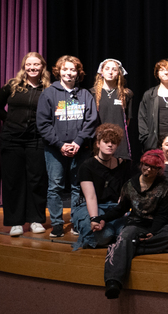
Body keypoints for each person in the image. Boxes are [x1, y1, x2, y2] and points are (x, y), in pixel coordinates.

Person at [91, 150, 168, 299]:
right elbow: (121, 209)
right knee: (127, 233)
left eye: (153, 167)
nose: (148, 169)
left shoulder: (166, 185)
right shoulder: (130, 184)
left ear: (159, 169)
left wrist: (152, 232)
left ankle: (127, 247)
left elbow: (162, 214)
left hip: (157, 226)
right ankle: (113, 281)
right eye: (146, 165)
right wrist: (103, 218)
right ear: (141, 165)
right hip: (136, 223)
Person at [37, 54, 98, 238]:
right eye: (65, 69)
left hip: (80, 150)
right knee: (54, 186)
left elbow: (91, 121)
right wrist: (60, 145)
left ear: (78, 73)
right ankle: (57, 223)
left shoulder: (85, 94)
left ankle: (77, 221)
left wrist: (78, 142)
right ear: (59, 71)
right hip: (55, 150)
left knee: (77, 187)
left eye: (72, 69)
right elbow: (43, 123)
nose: (68, 73)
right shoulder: (49, 93)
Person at [0, 51, 50, 236]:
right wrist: (10, 121)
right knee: (13, 180)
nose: (32, 68)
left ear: (42, 67)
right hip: (11, 140)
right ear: (24, 66)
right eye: (29, 64)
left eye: (36, 65)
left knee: (37, 180)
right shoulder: (12, 85)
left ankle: (35, 220)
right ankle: (15, 222)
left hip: (37, 140)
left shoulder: (48, 89)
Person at [71, 123, 134, 251]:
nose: (110, 145)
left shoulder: (124, 164)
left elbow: (124, 192)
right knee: (105, 235)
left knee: (126, 234)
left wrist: (122, 208)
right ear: (98, 144)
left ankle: (112, 231)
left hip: (113, 207)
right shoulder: (87, 166)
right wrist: (95, 218)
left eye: (113, 142)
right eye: (106, 142)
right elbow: (91, 197)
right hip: (91, 206)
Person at [92, 58, 133, 159]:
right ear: (101, 71)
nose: (110, 72)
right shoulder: (92, 93)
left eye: (114, 69)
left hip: (119, 143)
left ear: (119, 73)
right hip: (100, 141)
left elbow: (127, 120)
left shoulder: (126, 94)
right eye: (107, 69)